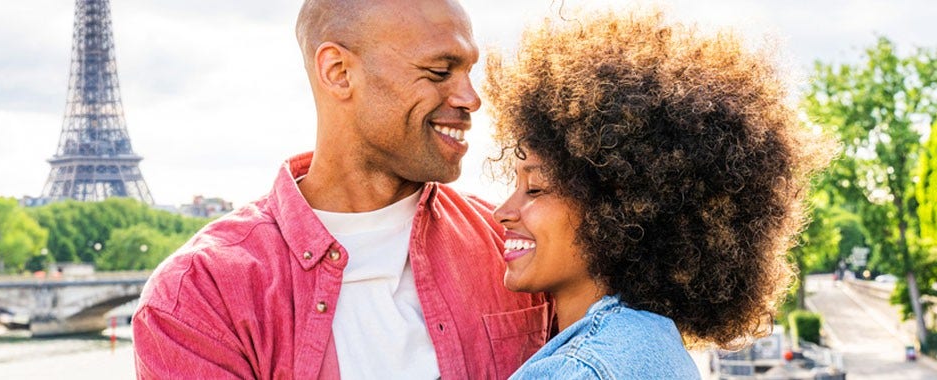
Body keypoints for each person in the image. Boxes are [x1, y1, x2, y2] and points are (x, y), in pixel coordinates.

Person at [131, 0, 553, 378]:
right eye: (439, 72)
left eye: (468, 72)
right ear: (338, 72)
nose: (470, 98)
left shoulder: (516, 245)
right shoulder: (199, 296)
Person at [482, 7, 831, 379]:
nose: (502, 211)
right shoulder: (657, 346)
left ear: (614, 210)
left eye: (534, 188)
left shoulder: (578, 371)